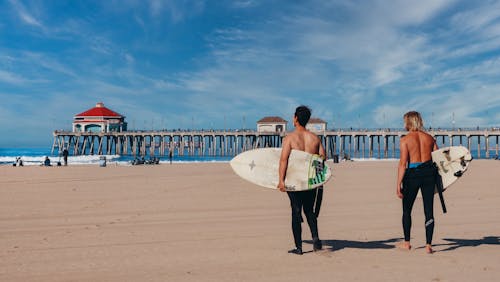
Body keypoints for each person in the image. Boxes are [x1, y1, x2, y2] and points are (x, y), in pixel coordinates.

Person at [278, 105, 324, 255]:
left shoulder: (290, 138)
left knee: (296, 211)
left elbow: (283, 160)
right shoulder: (315, 138)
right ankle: (316, 239)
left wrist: (281, 180)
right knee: (309, 211)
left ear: (296, 118)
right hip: (310, 180)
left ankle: (299, 247)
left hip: (295, 180)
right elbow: (323, 158)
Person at [396, 111, 439, 254]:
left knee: (407, 209)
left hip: (412, 175)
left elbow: (403, 164)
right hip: (428, 175)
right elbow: (438, 160)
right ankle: (428, 245)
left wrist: (398, 185)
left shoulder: (405, 140)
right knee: (429, 210)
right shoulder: (430, 138)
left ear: (408, 122)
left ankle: (407, 242)